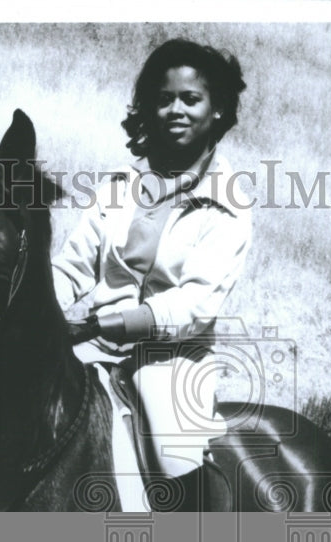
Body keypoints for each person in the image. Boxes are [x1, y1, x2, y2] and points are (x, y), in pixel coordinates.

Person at [52, 38, 251, 510]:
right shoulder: (120, 184)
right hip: (92, 345)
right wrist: (42, 303)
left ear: (217, 110)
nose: (175, 109)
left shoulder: (230, 200)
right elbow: (73, 263)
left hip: (171, 361)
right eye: (164, 99)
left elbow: (195, 304)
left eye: (190, 98)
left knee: (172, 454)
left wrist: (106, 323)